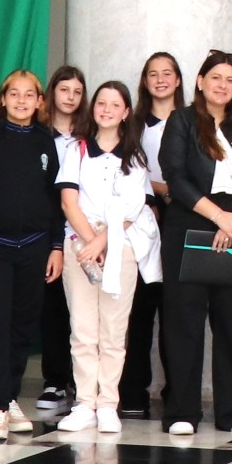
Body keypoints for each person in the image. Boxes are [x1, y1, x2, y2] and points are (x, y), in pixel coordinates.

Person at [158, 49, 232, 440]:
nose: (222, 85)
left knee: (231, 323)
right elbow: (175, 175)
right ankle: (182, 410)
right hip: (190, 225)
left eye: (230, 80)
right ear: (200, 81)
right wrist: (217, 216)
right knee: (184, 323)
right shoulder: (182, 120)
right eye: (215, 77)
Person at [0, 68, 65, 442]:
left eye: (29, 95)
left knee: (22, 327)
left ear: (39, 102)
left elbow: (56, 199)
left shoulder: (45, 141)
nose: (22, 101)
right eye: (14, 94)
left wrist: (55, 246)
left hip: (34, 248)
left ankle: (9, 399)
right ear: (2, 99)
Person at [58, 80, 157, 434]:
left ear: (126, 112)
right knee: (83, 329)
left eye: (115, 105)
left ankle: (108, 404)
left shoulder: (135, 155)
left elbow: (133, 208)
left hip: (121, 246)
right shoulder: (77, 149)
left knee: (114, 330)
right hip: (79, 246)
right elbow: (69, 201)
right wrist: (89, 242)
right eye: (101, 103)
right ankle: (85, 402)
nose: (107, 110)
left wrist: (103, 242)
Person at [117, 50, 184, 419]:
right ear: (145, 81)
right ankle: (133, 390)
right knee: (139, 310)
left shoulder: (192, 120)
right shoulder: (134, 125)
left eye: (167, 73)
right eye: (152, 73)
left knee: (176, 311)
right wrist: (158, 190)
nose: (160, 79)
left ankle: (177, 389)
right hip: (140, 216)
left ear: (178, 80)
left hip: (182, 216)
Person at [37, 65, 89, 415]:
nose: (70, 97)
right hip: (45, 229)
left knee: (83, 310)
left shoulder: (90, 135)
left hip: (82, 231)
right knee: (52, 307)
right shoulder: (38, 134)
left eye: (77, 92)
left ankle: (83, 382)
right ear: (52, 92)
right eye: (64, 89)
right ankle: (55, 380)